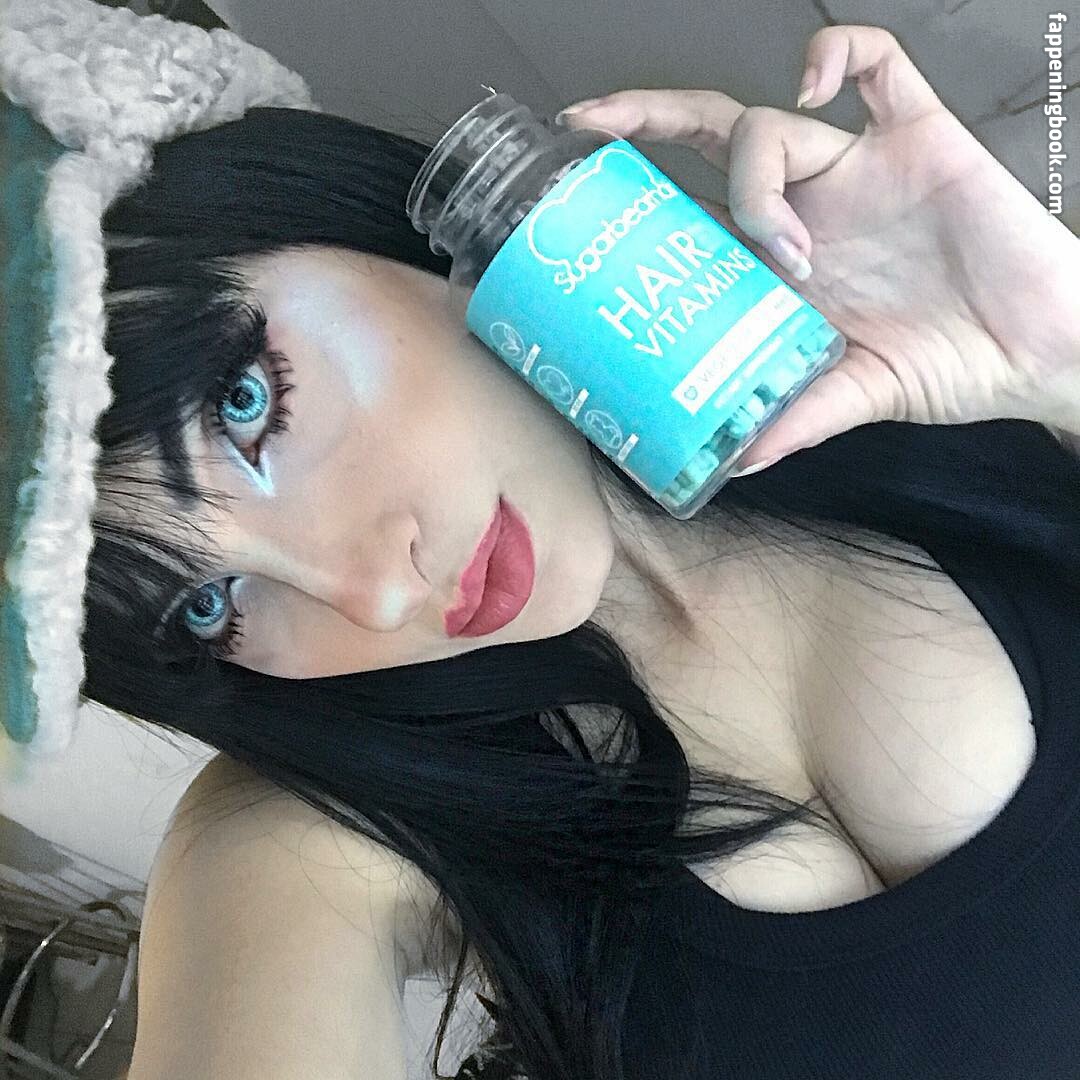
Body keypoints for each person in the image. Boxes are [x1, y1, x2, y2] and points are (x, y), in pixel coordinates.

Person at [4, 6, 1079, 1078]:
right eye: (206, 606)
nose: (373, 596)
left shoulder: (886, 382)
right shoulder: (298, 836)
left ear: (307, 203)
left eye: (245, 407)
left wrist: (1056, 357)